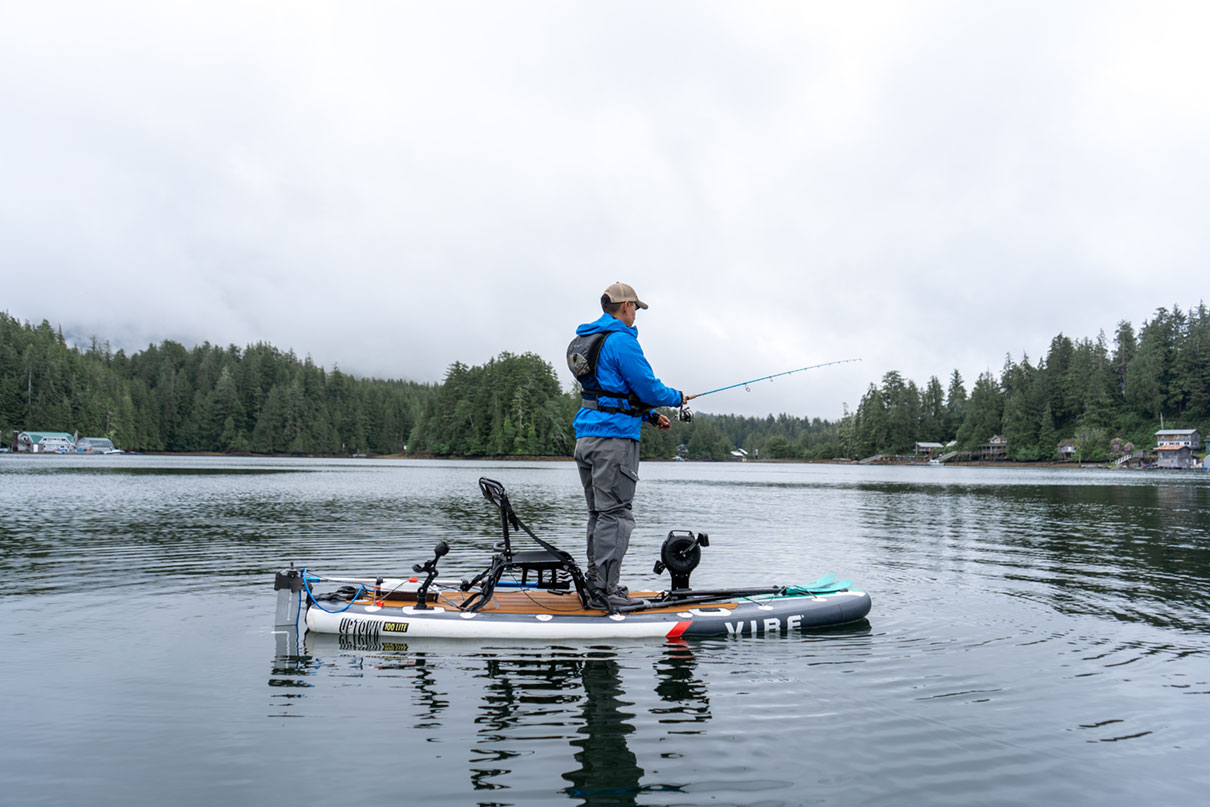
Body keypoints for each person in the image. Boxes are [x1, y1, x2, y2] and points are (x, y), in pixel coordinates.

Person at [568, 282, 683, 609]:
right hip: (613, 441)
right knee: (616, 516)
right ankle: (605, 592)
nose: (637, 314)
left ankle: (596, 583)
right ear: (625, 306)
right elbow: (648, 388)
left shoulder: (590, 338)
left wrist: (648, 416)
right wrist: (676, 398)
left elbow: (610, 391)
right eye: (636, 308)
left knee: (599, 514)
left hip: (586, 439)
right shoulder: (622, 341)